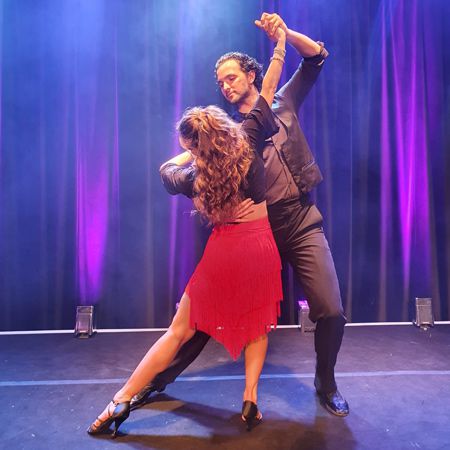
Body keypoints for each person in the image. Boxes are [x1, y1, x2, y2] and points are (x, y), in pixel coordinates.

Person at [131, 13, 349, 417]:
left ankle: (326, 382)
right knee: (202, 315)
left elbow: (317, 57)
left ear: (251, 75)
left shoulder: (282, 101)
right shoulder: (229, 133)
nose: (226, 86)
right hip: (253, 231)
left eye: (231, 77)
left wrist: (284, 34)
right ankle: (155, 382)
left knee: (332, 311)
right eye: (220, 83)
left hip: (300, 221)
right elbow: (183, 168)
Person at [87, 27, 286, 438]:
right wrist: (280, 47)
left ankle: (121, 399)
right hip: (260, 244)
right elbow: (267, 88)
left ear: (196, 146)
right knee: (257, 325)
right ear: (222, 129)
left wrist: (191, 153)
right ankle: (250, 398)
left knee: (179, 331)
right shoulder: (248, 136)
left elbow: (165, 170)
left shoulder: (193, 176)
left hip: (225, 250)